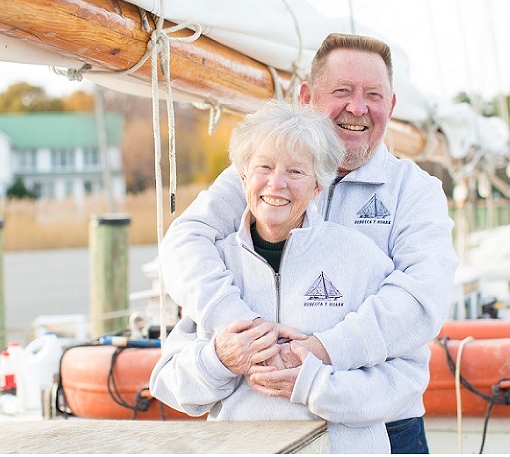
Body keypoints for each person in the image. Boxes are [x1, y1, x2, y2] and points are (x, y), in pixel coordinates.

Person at [158, 33, 459, 453]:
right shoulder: (262, 177)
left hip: (384, 426)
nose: (358, 107)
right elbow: (185, 243)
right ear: (306, 98)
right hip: (255, 432)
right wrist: (243, 332)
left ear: (390, 107)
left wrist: (323, 352)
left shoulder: (414, 191)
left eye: (373, 95)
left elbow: (421, 297)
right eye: (342, 91)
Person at [152, 99, 412, 453]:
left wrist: (315, 386)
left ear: (318, 186)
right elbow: (168, 383)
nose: (276, 184)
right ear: (243, 177)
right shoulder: (216, 268)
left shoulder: (360, 259)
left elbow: (405, 377)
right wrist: (219, 360)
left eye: (295, 172)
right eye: (264, 167)